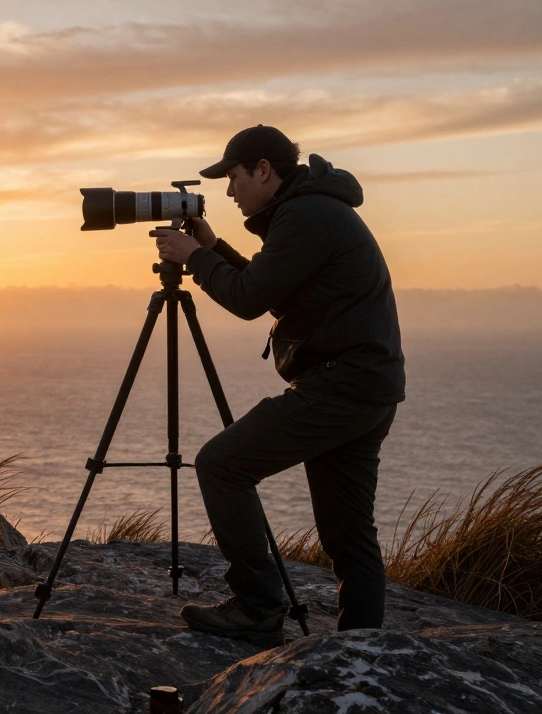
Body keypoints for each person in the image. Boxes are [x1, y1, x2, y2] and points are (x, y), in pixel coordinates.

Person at [152, 125, 406, 648]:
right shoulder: (312, 209)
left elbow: (247, 299)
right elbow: (271, 288)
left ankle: (258, 607)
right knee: (348, 535)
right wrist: (211, 246)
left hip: (341, 385)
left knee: (222, 464)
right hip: (367, 387)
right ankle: (359, 653)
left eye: (234, 178)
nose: (228, 191)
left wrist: (193, 258)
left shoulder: (306, 215)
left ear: (264, 170)